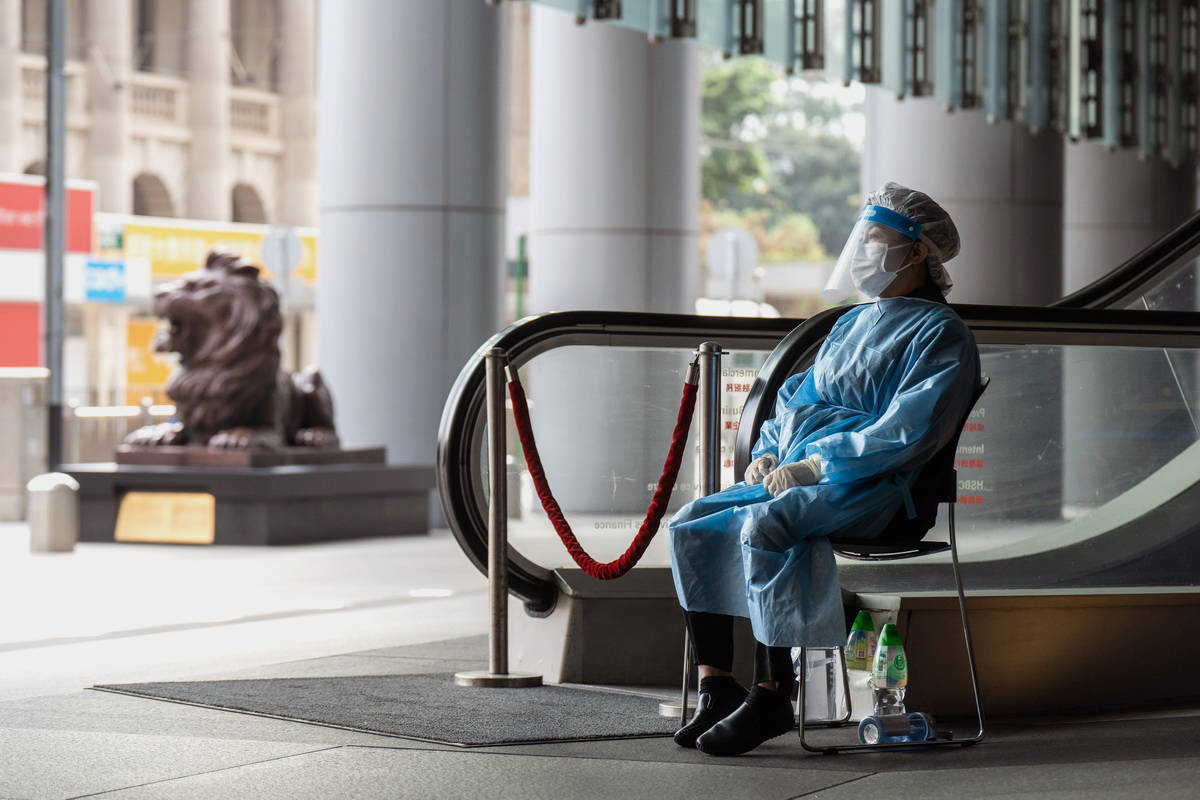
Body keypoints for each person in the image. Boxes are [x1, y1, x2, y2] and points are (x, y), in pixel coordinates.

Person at [669, 182, 982, 756]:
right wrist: (771, 449)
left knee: (767, 525)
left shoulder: (942, 334)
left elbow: (909, 432)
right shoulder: (850, 324)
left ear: (917, 252)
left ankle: (772, 694)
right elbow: (796, 399)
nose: (861, 250)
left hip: (881, 487)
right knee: (690, 521)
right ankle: (717, 684)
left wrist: (819, 464)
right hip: (806, 471)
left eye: (874, 238)